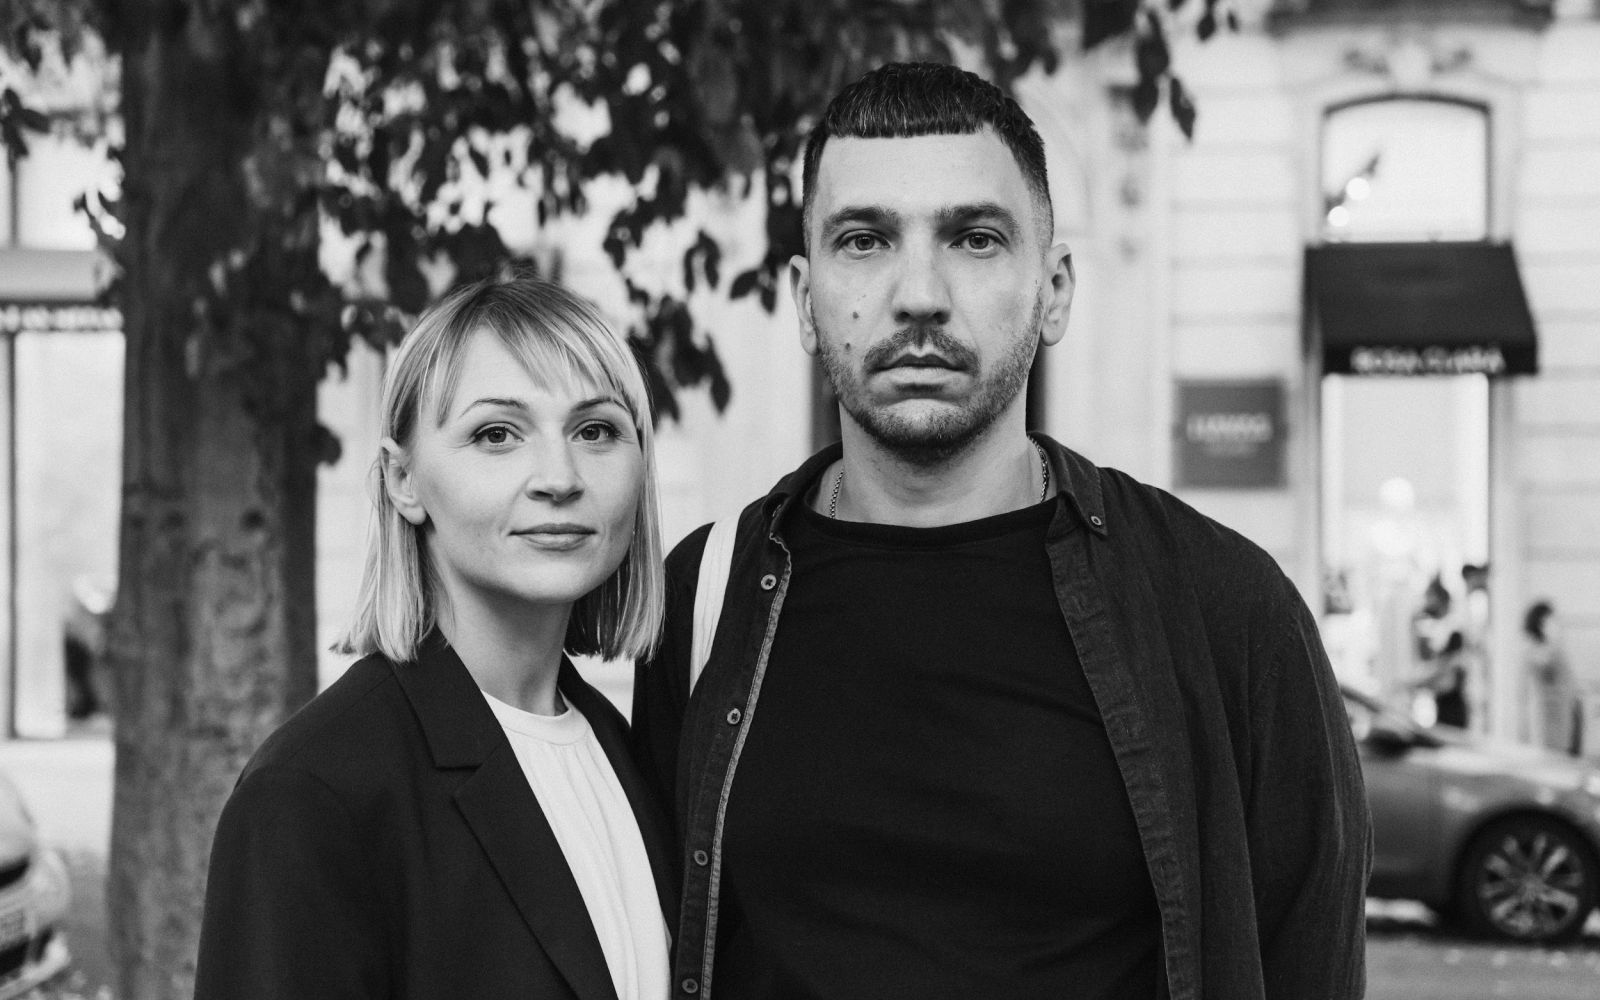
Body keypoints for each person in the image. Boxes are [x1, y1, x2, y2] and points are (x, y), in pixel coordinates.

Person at [632, 62, 1370, 1000]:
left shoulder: (1225, 607)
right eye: (864, 240)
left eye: (975, 239)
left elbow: (1308, 961)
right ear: (805, 299)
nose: (919, 294)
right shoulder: (707, 598)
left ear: (1053, 290)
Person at [196, 276, 676, 1000]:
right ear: (404, 480)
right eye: (497, 434)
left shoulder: (627, 750)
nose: (559, 477)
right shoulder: (311, 795)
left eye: (595, 431)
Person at [1410, 575, 1468, 728]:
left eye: (1429, 597)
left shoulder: (1453, 629)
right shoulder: (1434, 627)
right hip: (1440, 699)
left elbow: (1445, 666)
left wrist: (1415, 682)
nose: (1427, 602)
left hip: (1451, 700)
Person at [1523, 600, 1580, 755]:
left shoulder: (1553, 648)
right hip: (1549, 715)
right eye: (1551, 619)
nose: (1556, 623)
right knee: (1552, 755)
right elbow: (1543, 664)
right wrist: (1555, 639)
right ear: (1541, 622)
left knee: (1565, 752)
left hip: (1565, 710)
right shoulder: (1537, 650)